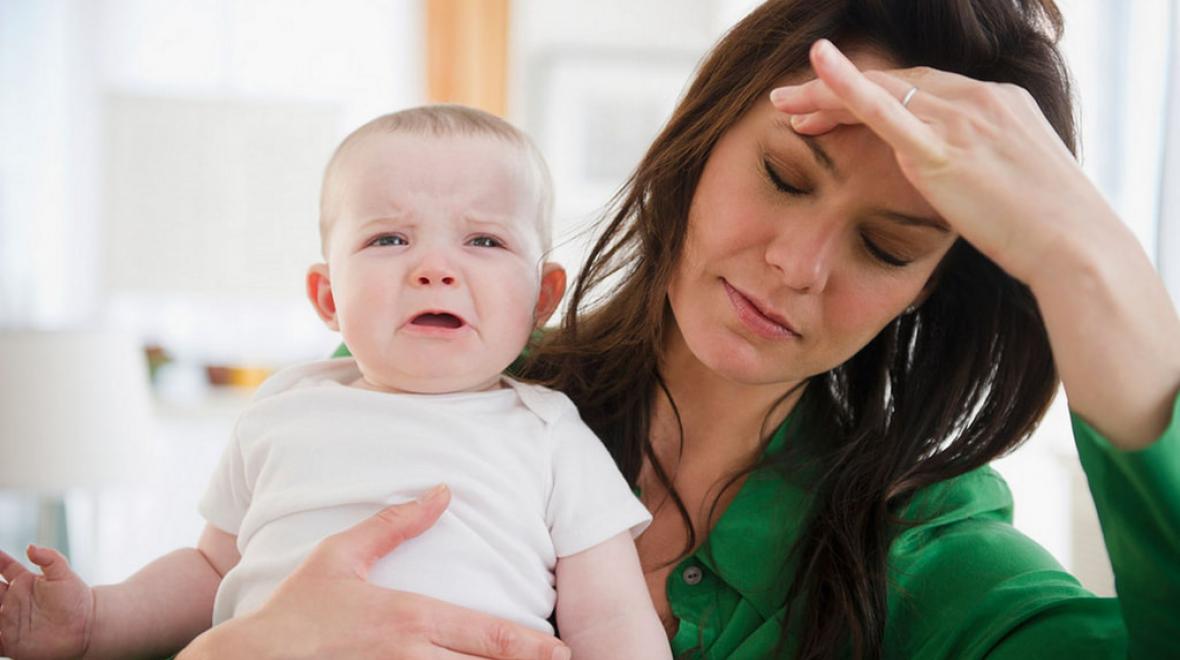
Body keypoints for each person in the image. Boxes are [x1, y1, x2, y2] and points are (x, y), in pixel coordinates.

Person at [0, 106, 672, 660]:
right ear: (327, 296)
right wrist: (96, 620)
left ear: (542, 296)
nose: (435, 268)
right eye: (389, 240)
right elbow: (211, 572)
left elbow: (611, 619)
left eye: (484, 242)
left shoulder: (552, 434)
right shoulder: (284, 408)